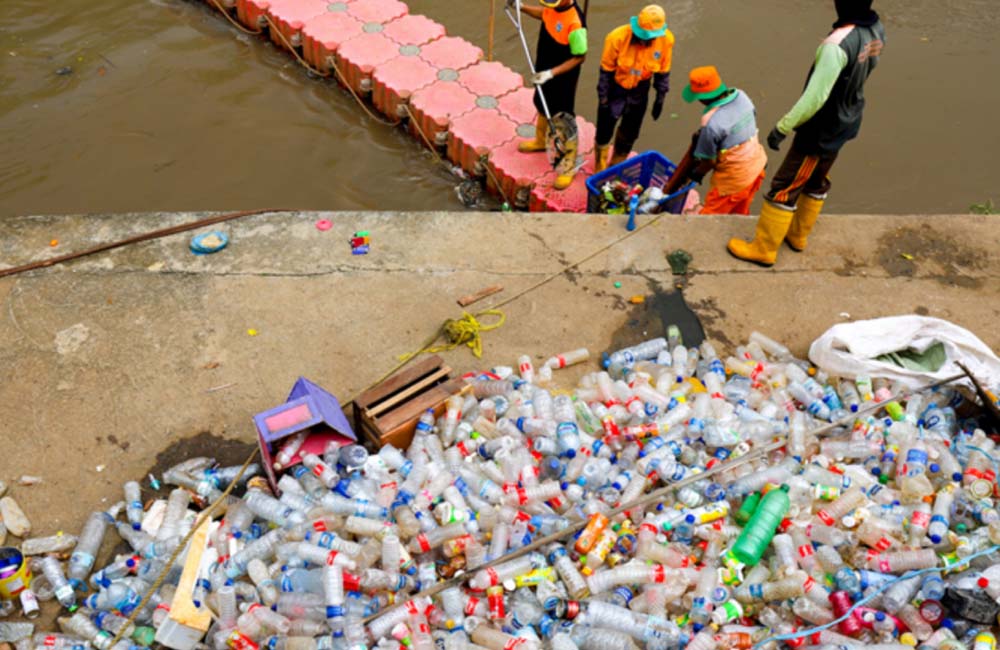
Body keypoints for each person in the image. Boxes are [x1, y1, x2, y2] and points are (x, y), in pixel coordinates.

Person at [727, 0, 885, 266]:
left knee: (784, 186)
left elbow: (815, 98)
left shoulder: (835, 46)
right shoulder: (876, 29)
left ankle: (764, 248)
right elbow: (869, 65)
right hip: (849, 116)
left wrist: (783, 127)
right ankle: (797, 235)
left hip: (821, 129)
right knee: (817, 178)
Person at [514, 0, 588, 190]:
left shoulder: (575, 23)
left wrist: (551, 73)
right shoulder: (554, 8)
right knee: (541, 102)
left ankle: (568, 166)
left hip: (562, 77)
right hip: (544, 65)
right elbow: (546, 14)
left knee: (562, 117)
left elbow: (579, 57)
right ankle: (540, 140)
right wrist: (522, 7)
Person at [678, 66, 767, 215]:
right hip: (757, 167)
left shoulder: (711, 124)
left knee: (709, 218)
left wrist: (696, 173)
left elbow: (709, 162)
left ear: (703, 99)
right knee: (739, 213)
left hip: (734, 181)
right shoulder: (742, 95)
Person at [594, 4, 673, 172]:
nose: (648, 40)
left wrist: (660, 97)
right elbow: (605, 71)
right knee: (604, 129)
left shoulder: (666, 40)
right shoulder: (616, 37)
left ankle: (617, 163)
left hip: (640, 91)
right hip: (615, 89)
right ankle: (599, 164)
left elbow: (663, 73)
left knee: (630, 132)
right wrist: (603, 97)